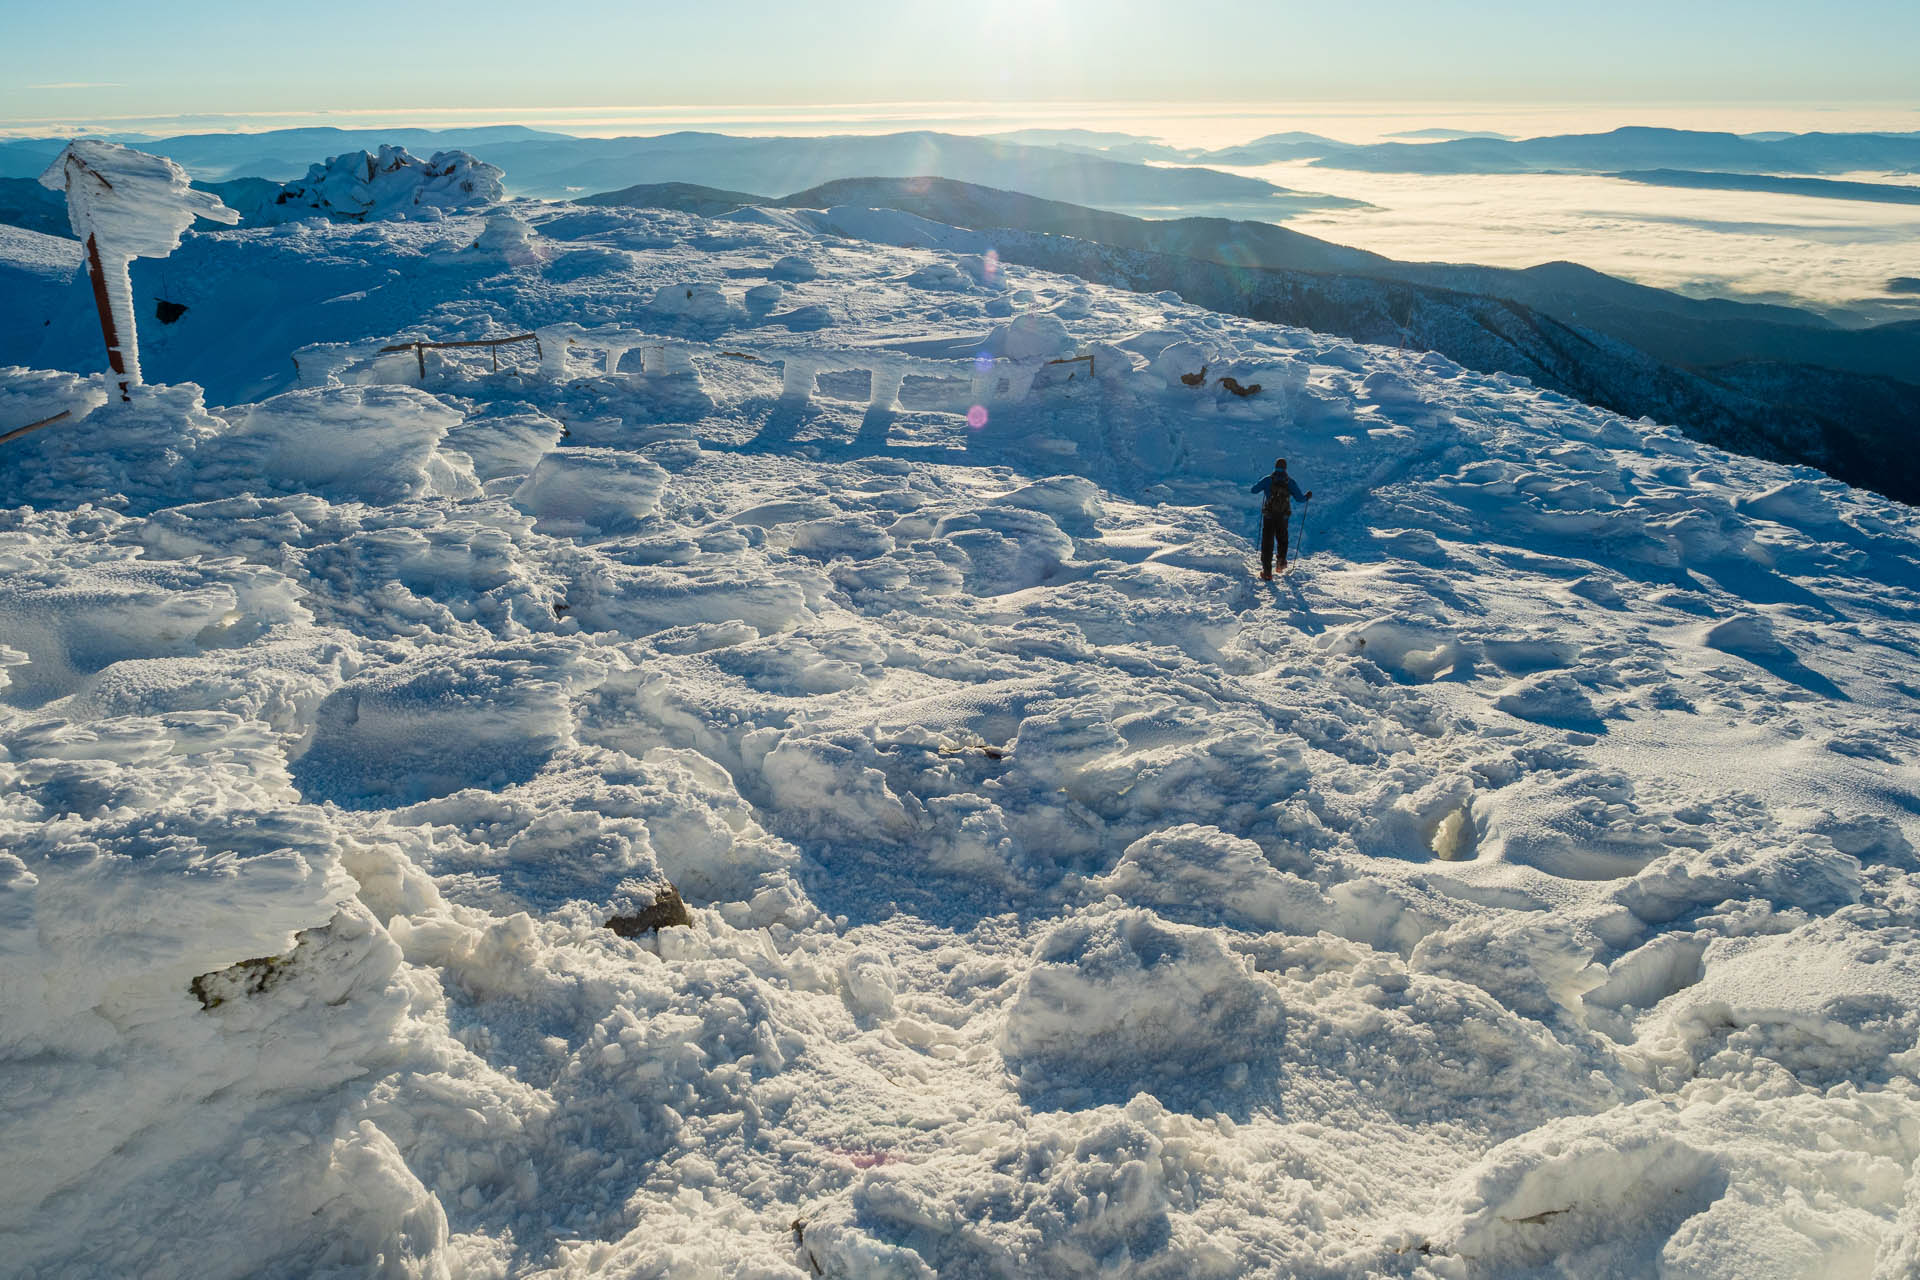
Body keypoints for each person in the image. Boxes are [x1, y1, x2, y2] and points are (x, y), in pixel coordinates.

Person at [1250, 458, 1311, 579]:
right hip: (1283, 517)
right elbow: (1299, 499)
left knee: (1267, 542)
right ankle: (1280, 563)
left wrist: (1261, 483)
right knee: (1282, 540)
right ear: (1285, 468)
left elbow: (1253, 490)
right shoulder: (1290, 482)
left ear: (1275, 467)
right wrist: (1307, 497)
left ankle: (1267, 572)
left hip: (1269, 516)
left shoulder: (1268, 480)